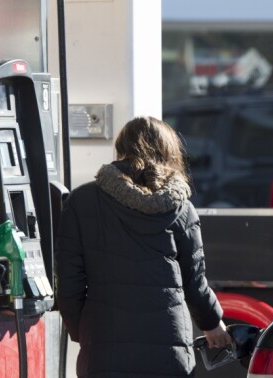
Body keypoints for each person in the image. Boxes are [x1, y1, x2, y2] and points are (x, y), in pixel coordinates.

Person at [55, 116, 232, 377]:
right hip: (168, 348)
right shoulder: (182, 209)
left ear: (121, 149)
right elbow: (194, 282)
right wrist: (212, 323)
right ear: (168, 153)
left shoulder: (81, 201)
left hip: (104, 345)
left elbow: (68, 281)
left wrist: (83, 331)